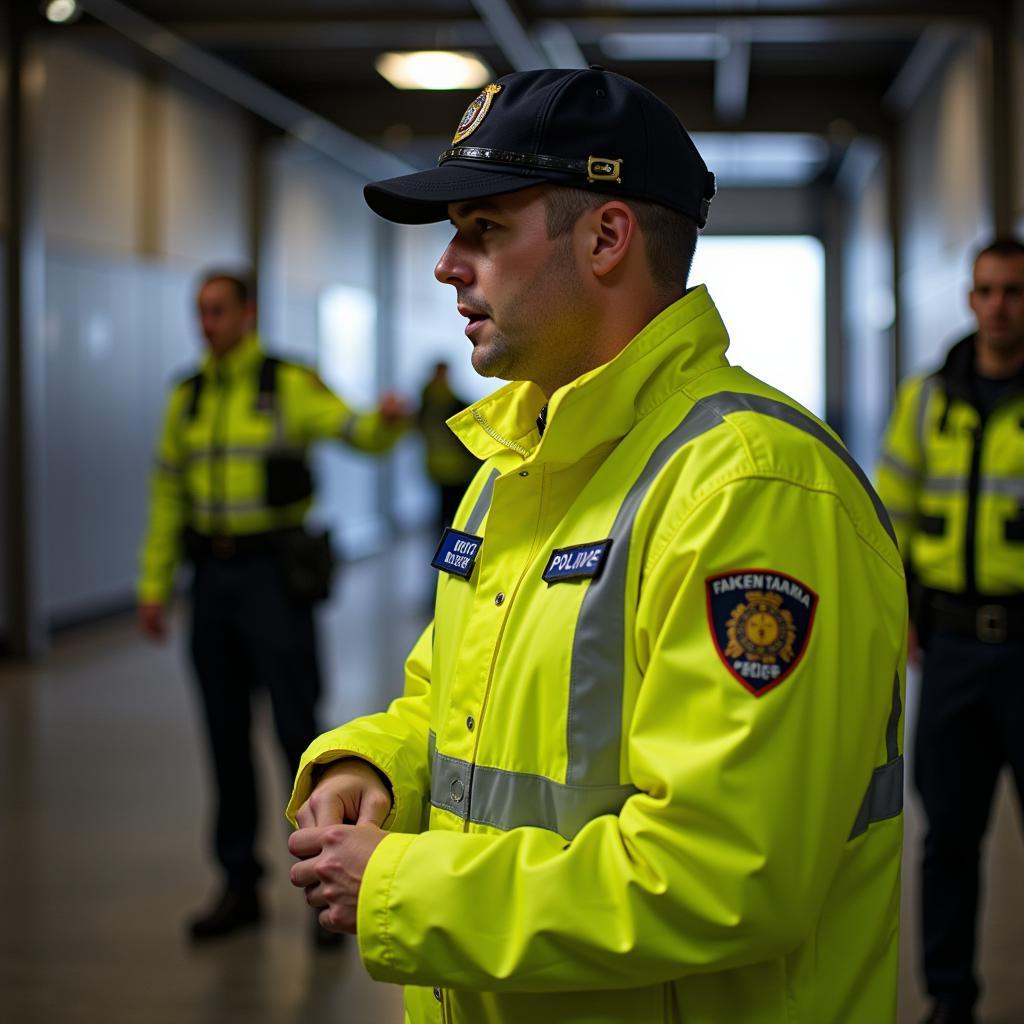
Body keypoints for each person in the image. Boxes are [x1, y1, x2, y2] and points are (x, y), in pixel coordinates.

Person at [285, 68, 908, 1023]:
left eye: (483, 229)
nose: (448, 266)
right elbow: (450, 710)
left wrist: (404, 884)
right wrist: (373, 768)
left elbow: (720, 873)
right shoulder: (515, 463)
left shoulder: (750, 492)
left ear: (607, 237)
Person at [137, 269, 408, 943]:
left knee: (296, 732)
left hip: (271, 578)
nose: (208, 323)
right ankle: (238, 885)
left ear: (247, 314)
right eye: (200, 311)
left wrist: (386, 421)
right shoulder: (188, 396)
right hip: (211, 576)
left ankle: (324, 888)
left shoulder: (286, 383)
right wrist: (153, 583)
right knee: (223, 734)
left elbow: (356, 431)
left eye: (219, 310)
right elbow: (168, 493)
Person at [876, 238, 1024, 1024]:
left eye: (1014, 292)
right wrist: (897, 612)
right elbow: (889, 517)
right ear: (970, 300)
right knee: (948, 838)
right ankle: (950, 1002)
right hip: (954, 646)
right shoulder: (927, 400)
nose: (999, 306)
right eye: (988, 291)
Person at [416, 360, 480, 533]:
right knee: (452, 513)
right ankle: (448, 549)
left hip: (445, 467)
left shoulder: (426, 403)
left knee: (445, 512)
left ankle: (442, 548)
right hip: (453, 467)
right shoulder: (453, 403)